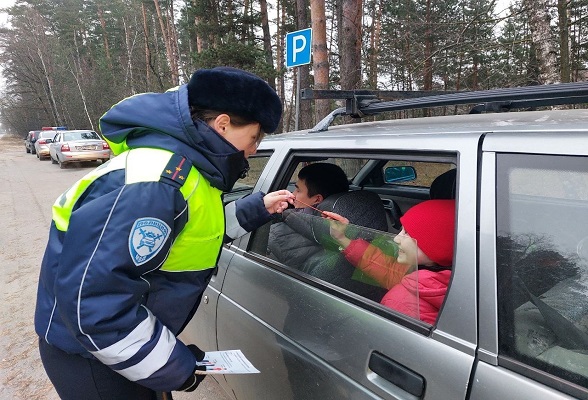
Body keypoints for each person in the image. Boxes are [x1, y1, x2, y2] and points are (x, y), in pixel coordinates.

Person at [34, 66, 295, 399]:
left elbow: (192, 234)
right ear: (223, 124)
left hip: (118, 351)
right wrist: (176, 368)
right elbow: (96, 307)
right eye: (255, 137)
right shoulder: (155, 182)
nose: (255, 149)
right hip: (93, 358)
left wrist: (257, 208)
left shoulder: (187, 170)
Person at [324, 199, 455, 324]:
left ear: (437, 246)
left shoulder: (398, 303)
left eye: (408, 233)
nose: (397, 238)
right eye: (401, 230)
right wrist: (341, 238)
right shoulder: (448, 274)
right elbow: (391, 272)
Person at [267, 162, 349, 266]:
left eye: (298, 190)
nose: (292, 194)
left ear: (317, 199)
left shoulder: (277, 235)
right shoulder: (352, 228)